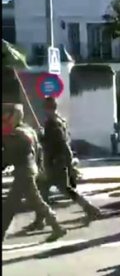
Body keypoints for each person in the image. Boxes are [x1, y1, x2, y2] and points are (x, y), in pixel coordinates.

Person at [29, 97, 101, 230]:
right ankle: (40, 220)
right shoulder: (60, 121)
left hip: (55, 162)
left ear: (48, 108)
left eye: (46, 108)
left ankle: (90, 209)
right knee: (47, 190)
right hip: (57, 162)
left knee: (56, 190)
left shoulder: (52, 123)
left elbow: (55, 143)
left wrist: (40, 136)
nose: (45, 111)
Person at [2, 103, 67, 242]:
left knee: (12, 206)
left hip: (23, 172)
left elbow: (10, 155)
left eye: (7, 115)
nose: (4, 118)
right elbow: (38, 151)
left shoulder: (16, 134)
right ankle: (57, 227)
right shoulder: (28, 130)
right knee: (26, 203)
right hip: (29, 170)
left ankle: (57, 227)